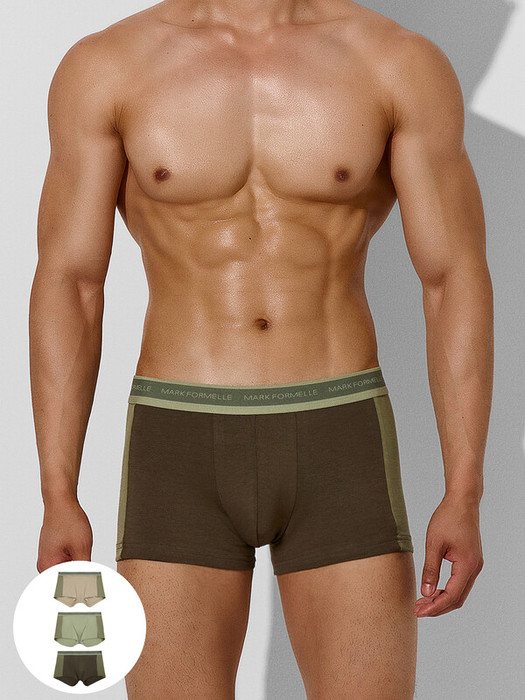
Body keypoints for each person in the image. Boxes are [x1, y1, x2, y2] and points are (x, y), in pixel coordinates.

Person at [29, 1, 493, 697]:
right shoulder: (108, 67)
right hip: (178, 443)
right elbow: (72, 283)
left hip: (339, 438)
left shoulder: (395, 62)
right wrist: (56, 490)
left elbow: (451, 278)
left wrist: (464, 488)